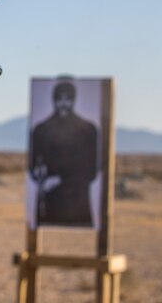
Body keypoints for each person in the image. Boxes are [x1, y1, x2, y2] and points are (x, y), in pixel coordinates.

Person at [29, 82, 98, 226]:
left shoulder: (88, 130)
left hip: (77, 201)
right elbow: (33, 165)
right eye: (60, 99)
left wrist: (60, 180)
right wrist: (41, 177)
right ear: (54, 100)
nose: (63, 104)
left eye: (68, 99)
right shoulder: (41, 130)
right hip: (50, 201)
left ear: (73, 100)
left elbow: (91, 171)